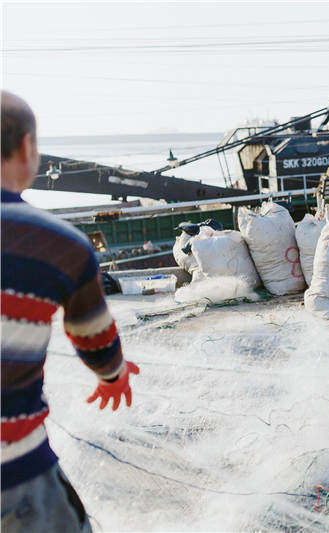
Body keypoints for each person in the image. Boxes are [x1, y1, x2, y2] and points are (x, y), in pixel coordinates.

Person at [1, 91, 139, 532]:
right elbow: (92, 333)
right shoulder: (57, 245)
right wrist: (113, 374)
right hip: (13, 472)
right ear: (26, 149)